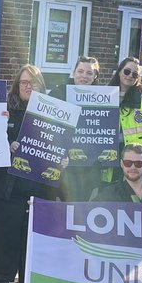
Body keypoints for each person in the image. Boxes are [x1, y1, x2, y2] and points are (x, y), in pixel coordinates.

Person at [0, 64, 53, 283]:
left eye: (33, 82)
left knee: (32, 238)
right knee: (6, 234)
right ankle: (2, 275)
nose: (28, 86)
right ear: (17, 85)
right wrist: (5, 142)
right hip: (8, 186)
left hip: (39, 186)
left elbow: (60, 144)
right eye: (24, 82)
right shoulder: (3, 108)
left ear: (40, 86)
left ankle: (28, 279)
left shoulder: (51, 113)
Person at [53, 56, 105, 203]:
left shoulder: (104, 98)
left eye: (89, 73)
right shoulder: (59, 93)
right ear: (73, 72)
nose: (84, 76)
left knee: (79, 208)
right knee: (59, 209)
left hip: (87, 168)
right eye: (80, 71)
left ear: (95, 76)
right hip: (63, 164)